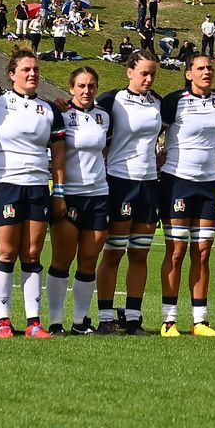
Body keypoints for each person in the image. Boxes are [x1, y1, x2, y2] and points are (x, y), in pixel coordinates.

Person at [0, 49, 64, 338]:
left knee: (32, 254)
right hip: (5, 184)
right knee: (6, 252)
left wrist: (58, 190)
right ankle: (2, 320)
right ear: (11, 74)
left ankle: (33, 322)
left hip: (38, 185)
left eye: (35, 69)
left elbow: (59, 153)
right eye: (26, 69)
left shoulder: (49, 109)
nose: (32, 74)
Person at [158, 54, 215, 336]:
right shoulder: (174, 101)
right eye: (200, 68)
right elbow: (152, 133)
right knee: (176, 252)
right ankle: (169, 321)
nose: (206, 71)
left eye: (210, 67)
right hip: (177, 182)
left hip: (209, 184)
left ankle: (200, 321)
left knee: (203, 252)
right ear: (188, 74)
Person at [94, 50, 164, 334]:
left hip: (150, 184)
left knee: (140, 254)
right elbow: (83, 111)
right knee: (113, 253)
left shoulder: (158, 101)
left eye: (153, 74)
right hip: (120, 182)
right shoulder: (113, 100)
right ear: (129, 72)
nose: (148, 79)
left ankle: (133, 318)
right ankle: (106, 318)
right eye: (144, 73)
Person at [47, 66, 112, 335]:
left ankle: (79, 322)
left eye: (91, 85)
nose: (87, 90)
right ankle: (55, 322)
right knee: (62, 259)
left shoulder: (104, 117)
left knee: (88, 260)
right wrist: (58, 193)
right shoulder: (60, 114)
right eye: (81, 86)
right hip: (70, 194)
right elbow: (55, 154)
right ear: (71, 87)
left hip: (99, 195)